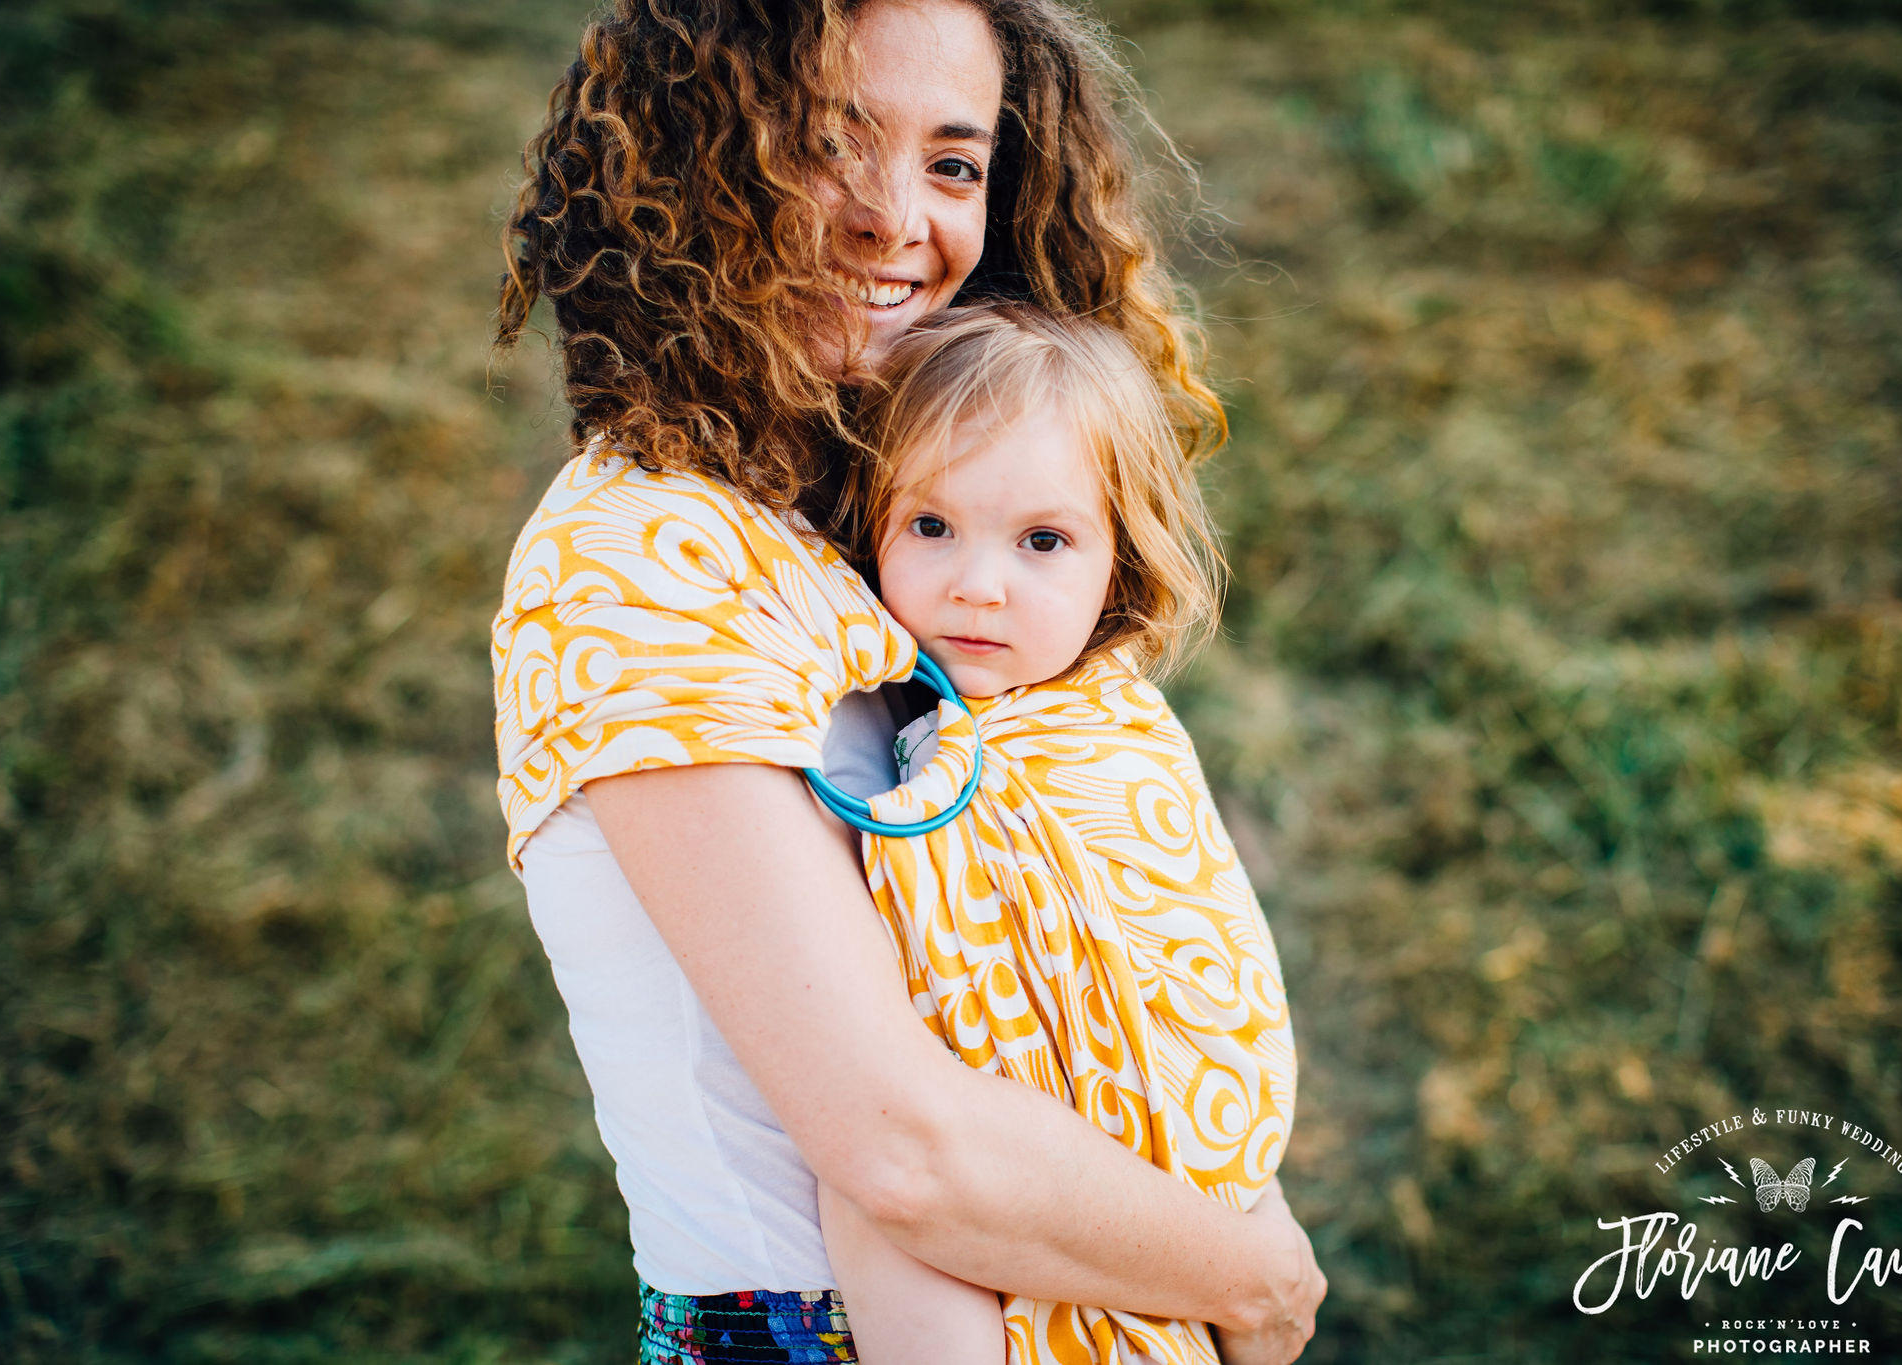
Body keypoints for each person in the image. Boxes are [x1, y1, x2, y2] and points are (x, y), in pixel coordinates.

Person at [490, 1, 1325, 1361]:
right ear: (697, 156)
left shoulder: (883, 520)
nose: (896, 219)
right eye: (829, 143)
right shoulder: (639, 557)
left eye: (953, 163)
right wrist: (1259, 1280)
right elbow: (901, 1150)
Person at [811, 303, 1296, 1365]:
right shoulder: (911, 715)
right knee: (869, 1191)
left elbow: (1193, 939)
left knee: (867, 1199)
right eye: (929, 527)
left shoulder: (1112, 735)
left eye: (1042, 541)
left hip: (1132, 1185)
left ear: (1117, 562)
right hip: (999, 1188)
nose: (976, 584)